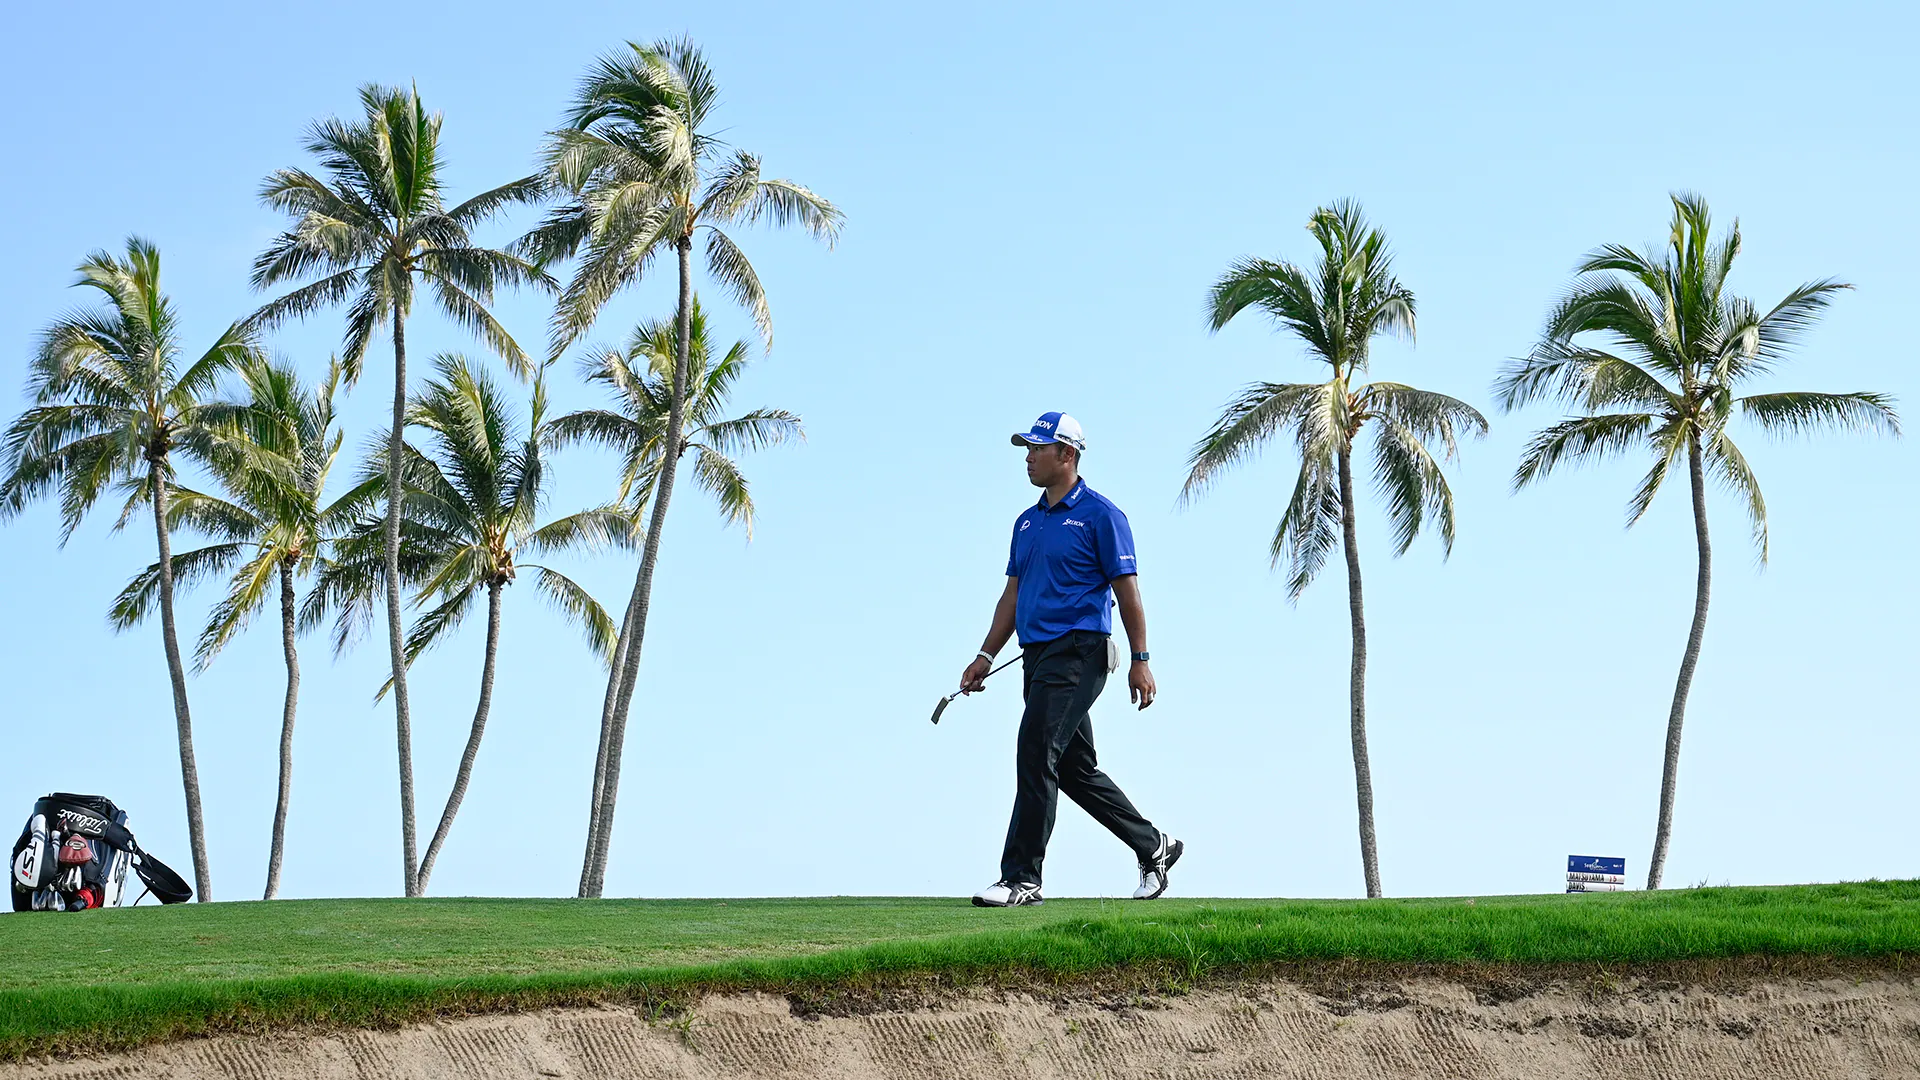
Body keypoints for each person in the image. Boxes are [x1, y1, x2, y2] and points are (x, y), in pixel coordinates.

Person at [959, 412, 1182, 907]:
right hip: (1036, 659)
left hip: (1080, 654)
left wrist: (1142, 659)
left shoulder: (1103, 516)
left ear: (1067, 454)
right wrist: (983, 654)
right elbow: (1011, 599)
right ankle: (1155, 847)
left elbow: (1129, 595)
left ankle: (1021, 879)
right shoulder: (1026, 521)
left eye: (1037, 448)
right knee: (1075, 769)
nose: (1028, 457)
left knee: (1036, 750)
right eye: (1026, 448)